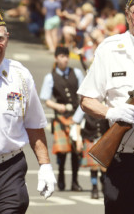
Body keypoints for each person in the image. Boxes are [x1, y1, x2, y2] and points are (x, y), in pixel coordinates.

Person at [78, 0, 134, 214]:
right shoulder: (109, 49)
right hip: (122, 155)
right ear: (127, 15)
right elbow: (87, 99)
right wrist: (110, 113)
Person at [0, 7, 56, 213]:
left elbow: (34, 124)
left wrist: (45, 166)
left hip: (8, 173)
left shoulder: (20, 76)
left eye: (0, 38)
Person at [39, 46, 85, 192]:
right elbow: (45, 98)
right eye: (62, 56)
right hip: (61, 118)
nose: (65, 59)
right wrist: (59, 106)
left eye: (66, 56)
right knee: (62, 152)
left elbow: (84, 92)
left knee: (76, 151)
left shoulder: (76, 73)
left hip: (76, 117)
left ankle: (75, 182)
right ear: (56, 58)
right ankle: (61, 179)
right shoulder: (50, 77)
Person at [72, 107, 109, 199]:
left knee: (104, 167)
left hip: (104, 138)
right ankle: (94, 188)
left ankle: (104, 185)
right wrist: (78, 140)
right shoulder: (85, 105)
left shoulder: (106, 101)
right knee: (94, 166)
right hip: (90, 138)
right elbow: (77, 122)